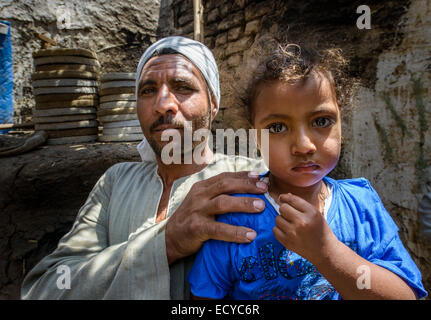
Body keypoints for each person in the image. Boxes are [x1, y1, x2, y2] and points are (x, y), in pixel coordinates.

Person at [21, 36, 269, 299]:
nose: (162, 104)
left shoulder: (253, 179)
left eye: (183, 87)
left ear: (214, 103)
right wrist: (166, 242)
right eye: (148, 90)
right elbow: (47, 287)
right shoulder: (115, 183)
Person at [188, 42, 428, 300]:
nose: (304, 146)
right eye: (278, 127)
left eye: (321, 121)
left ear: (341, 123)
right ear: (255, 136)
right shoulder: (235, 217)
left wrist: (326, 252)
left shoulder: (362, 205)